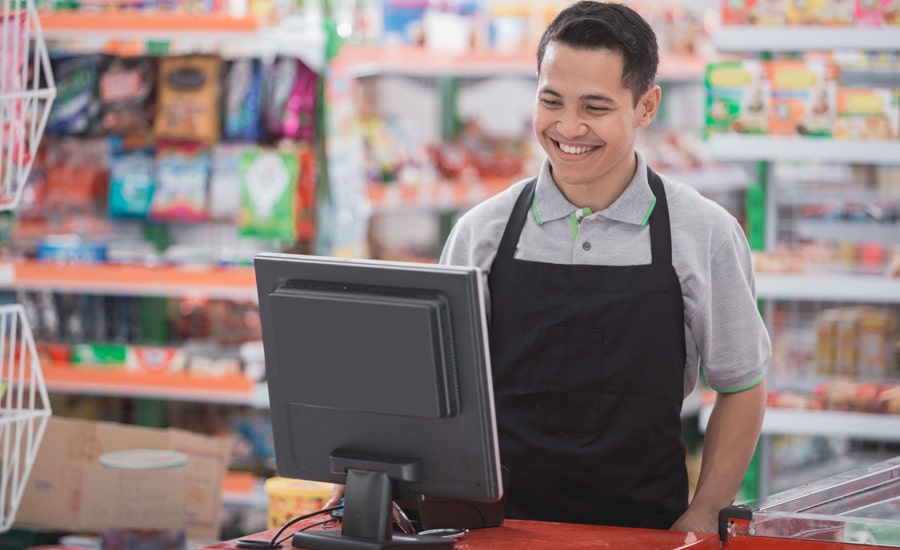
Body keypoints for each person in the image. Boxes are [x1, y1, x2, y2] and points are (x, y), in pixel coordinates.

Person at [437, 0, 769, 534]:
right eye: (551, 101)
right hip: (498, 531)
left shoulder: (702, 231)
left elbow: (741, 383)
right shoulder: (482, 233)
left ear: (645, 106)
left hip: (646, 531)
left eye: (595, 107)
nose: (569, 127)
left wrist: (706, 512)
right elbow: (444, 393)